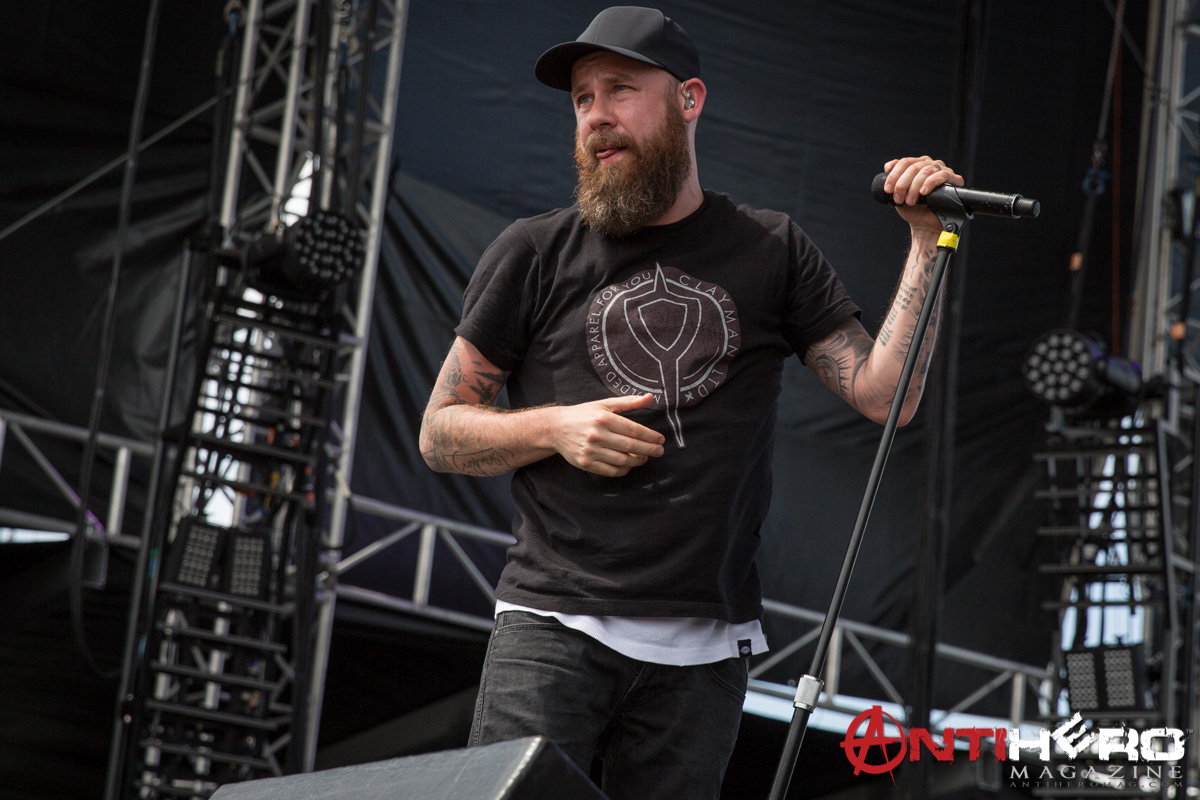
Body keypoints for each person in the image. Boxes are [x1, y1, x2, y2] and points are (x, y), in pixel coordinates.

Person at [418, 6, 962, 799]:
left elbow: (890, 398)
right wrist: (556, 428)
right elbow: (440, 432)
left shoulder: (771, 249)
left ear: (689, 99)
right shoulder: (533, 252)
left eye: (620, 90)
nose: (596, 116)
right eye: (582, 99)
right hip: (552, 629)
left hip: (705, 655)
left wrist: (925, 240)